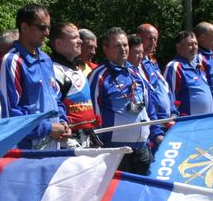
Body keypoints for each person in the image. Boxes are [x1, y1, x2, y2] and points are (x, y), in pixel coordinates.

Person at [89, 27, 164, 174]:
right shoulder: (98, 75)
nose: (123, 49)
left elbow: (148, 109)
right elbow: (92, 115)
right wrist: (100, 146)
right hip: (117, 152)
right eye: (118, 45)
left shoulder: (135, 71)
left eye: (125, 45)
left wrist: (157, 134)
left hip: (142, 148)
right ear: (105, 48)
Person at [0, 3, 70, 149]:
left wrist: (63, 122)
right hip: (28, 147)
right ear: (24, 27)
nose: (47, 33)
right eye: (42, 27)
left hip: (53, 143)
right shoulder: (12, 61)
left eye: (48, 28)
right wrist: (48, 128)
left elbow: (55, 98)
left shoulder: (45, 59)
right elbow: (11, 112)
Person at [50, 22, 99, 146]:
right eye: (74, 38)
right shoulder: (53, 70)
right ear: (59, 43)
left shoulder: (78, 67)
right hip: (67, 139)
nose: (80, 41)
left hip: (86, 137)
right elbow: (53, 105)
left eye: (79, 37)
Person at [164, 31, 213, 117]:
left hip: (205, 121)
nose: (194, 47)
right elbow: (169, 95)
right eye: (190, 45)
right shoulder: (174, 67)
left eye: (196, 44)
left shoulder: (199, 66)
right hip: (188, 124)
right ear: (179, 47)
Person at [136, 23, 173, 122]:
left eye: (155, 39)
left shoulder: (152, 62)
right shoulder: (131, 65)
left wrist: (173, 111)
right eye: (149, 38)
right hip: (154, 123)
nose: (153, 43)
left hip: (168, 120)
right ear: (138, 38)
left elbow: (164, 87)